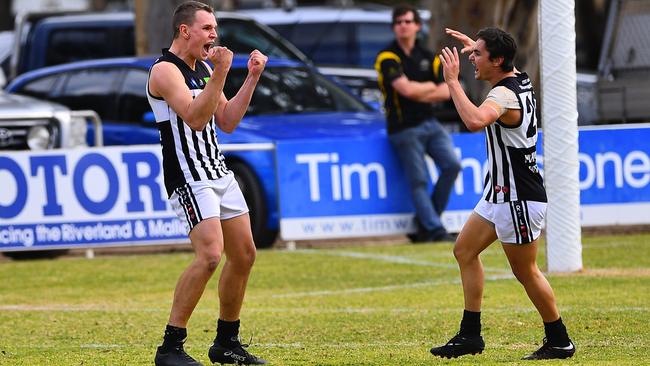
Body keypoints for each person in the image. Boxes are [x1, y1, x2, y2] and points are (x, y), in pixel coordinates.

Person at [429, 27, 576, 360]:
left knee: (525, 272)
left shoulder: (503, 97)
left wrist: (452, 81)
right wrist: (477, 46)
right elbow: (501, 64)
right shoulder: (517, 78)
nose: (472, 61)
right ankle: (470, 336)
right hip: (498, 194)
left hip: (518, 199)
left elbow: (475, 120)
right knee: (464, 251)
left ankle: (559, 339)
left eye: (479, 55)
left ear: (498, 61)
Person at [147, 2, 268, 365]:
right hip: (189, 176)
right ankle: (171, 346)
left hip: (218, 171)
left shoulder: (202, 69)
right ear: (185, 31)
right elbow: (197, 119)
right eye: (207, 28)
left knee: (244, 254)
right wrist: (222, 72)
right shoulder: (165, 71)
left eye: (214, 28)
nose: (214, 35)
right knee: (211, 254)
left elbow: (227, 121)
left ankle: (226, 343)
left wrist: (250, 78)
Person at [375, 4, 461, 243]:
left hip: (430, 122)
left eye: (407, 21)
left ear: (417, 26)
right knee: (419, 179)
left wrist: (420, 90)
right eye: (398, 22)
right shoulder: (387, 57)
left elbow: (448, 90)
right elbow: (405, 89)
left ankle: (427, 224)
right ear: (394, 27)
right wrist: (429, 89)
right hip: (404, 128)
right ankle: (434, 229)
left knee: (452, 165)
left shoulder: (428, 56)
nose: (403, 26)